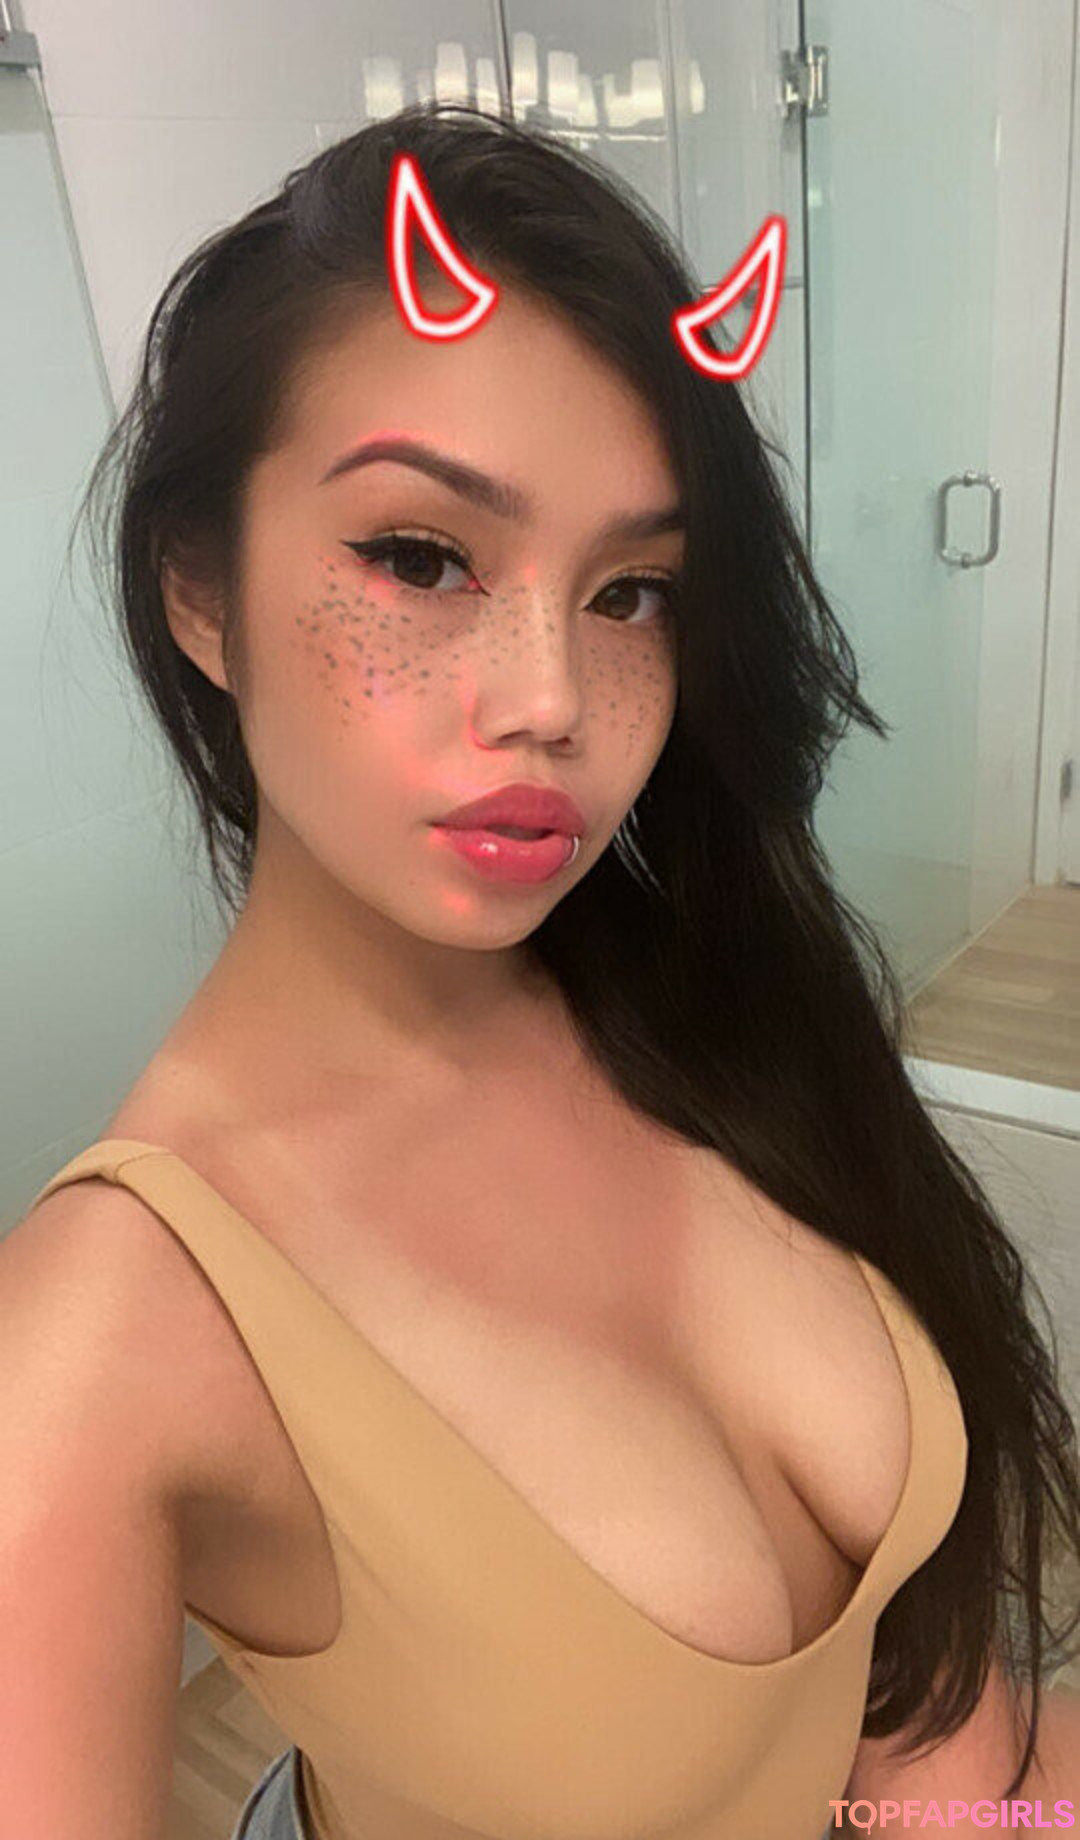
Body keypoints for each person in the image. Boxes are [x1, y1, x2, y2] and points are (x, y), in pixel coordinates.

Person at [2, 101, 1077, 1840]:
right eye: (420, 558)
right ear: (200, 588)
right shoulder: (98, 1349)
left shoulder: (708, 1006)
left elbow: (926, 1743)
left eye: (632, 591)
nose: (554, 699)